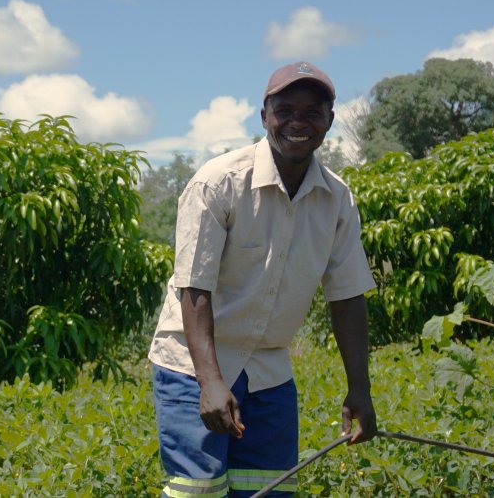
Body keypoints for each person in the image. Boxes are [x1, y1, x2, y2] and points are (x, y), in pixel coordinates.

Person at [148, 61, 377, 497]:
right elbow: (194, 288)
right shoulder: (218, 183)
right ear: (264, 116)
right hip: (192, 368)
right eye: (285, 110)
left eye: (312, 112)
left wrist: (359, 391)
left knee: (268, 491)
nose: (298, 122)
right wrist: (211, 382)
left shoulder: (337, 199)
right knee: (197, 491)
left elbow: (347, 296)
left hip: (268, 372)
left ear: (330, 120)